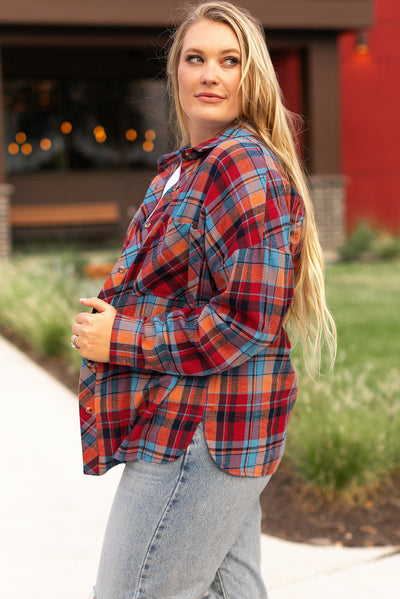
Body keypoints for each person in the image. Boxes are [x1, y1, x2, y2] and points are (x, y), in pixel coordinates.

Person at [71, 2, 336, 597]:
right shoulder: (184, 170)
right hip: (203, 425)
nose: (210, 74)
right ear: (177, 73)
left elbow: (245, 322)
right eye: (196, 58)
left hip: (199, 433)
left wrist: (122, 337)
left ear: (252, 76)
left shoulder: (240, 165)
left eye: (229, 60)